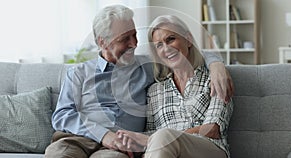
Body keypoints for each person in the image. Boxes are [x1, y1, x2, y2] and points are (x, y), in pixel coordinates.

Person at [45, 5, 233, 158]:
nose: (134, 44)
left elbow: (187, 54)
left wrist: (216, 64)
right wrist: (105, 135)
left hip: (117, 149)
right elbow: (62, 115)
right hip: (77, 138)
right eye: (125, 39)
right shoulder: (78, 73)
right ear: (103, 42)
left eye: (134, 35)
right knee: (59, 154)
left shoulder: (147, 67)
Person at [117, 15, 234, 158]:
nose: (166, 49)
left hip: (210, 149)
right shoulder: (155, 91)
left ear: (188, 39)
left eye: (171, 39)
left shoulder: (215, 78)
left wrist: (157, 139)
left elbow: (212, 129)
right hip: (167, 152)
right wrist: (132, 139)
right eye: (159, 45)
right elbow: (152, 132)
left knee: (163, 136)